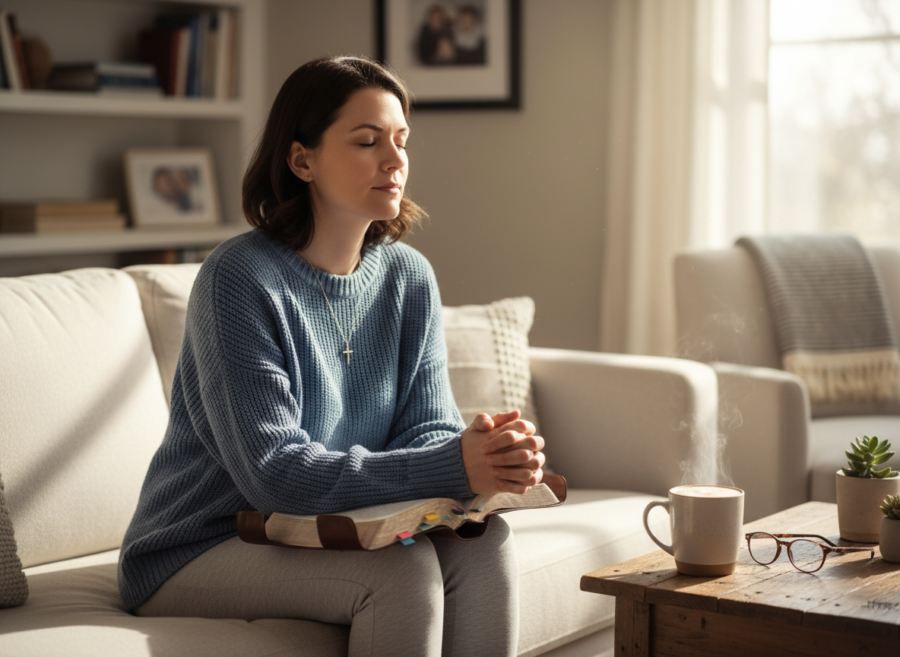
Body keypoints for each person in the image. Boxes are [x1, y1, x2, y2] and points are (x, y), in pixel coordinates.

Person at [118, 55, 546, 657]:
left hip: (323, 531)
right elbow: (274, 475)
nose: (395, 160)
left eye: (401, 140)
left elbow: (425, 425)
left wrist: (479, 452)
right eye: (368, 141)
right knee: (403, 572)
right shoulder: (239, 279)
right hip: (202, 543)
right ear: (302, 161)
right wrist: (452, 465)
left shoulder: (408, 277)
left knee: (486, 543)